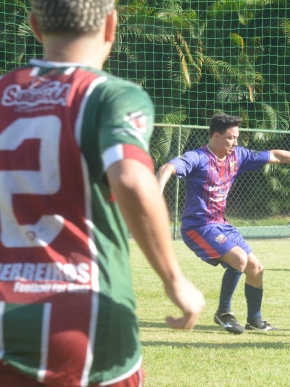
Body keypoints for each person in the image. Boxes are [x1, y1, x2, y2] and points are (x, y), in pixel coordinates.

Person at [0, 1, 205, 386]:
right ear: (111, 25)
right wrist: (173, 279)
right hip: (83, 319)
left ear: (34, 25)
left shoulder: (3, 92)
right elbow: (130, 178)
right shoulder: (111, 96)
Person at [157, 114, 290, 335]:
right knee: (239, 259)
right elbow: (168, 167)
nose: (235, 143)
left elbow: (274, 155)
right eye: (231, 138)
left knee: (256, 268)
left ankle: (254, 320)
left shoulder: (238, 155)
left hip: (221, 225)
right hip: (198, 227)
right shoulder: (197, 157)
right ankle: (223, 313)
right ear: (216, 136)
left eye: (237, 138)